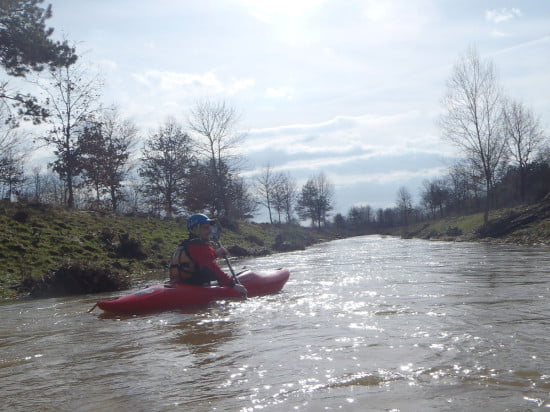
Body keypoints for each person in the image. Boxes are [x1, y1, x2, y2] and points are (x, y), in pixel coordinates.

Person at [168, 213, 247, 297]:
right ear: (195, 229)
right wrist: (233, 285)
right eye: (205, 228)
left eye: (209, 227)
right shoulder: (199, 246)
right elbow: (212, 269)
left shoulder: (185, 245)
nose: (210, 231)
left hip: (183, 285)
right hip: (196, 287)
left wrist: (215, 254)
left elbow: (199, 260)